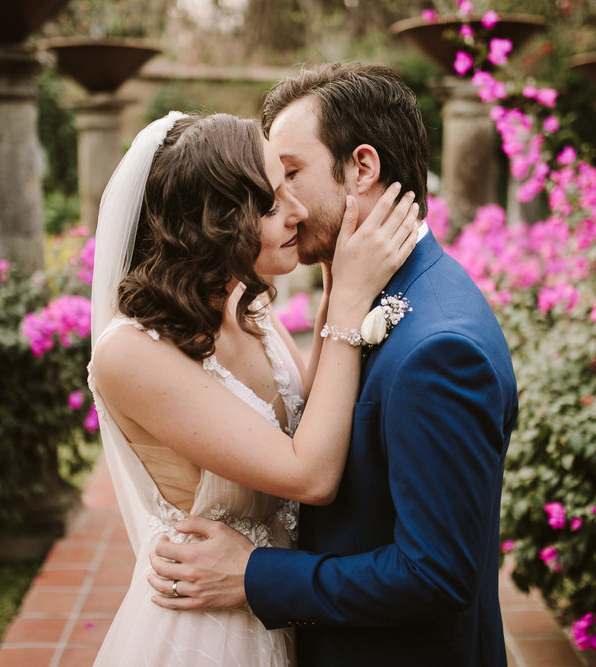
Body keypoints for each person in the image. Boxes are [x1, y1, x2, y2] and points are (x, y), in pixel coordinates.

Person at [147, 63, 519, 666]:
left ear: (362, 169)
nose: (278, 202)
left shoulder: (441, 349)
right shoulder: (366, 291)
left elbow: (438, 574)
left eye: (291, 173)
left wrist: (253, 575)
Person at [88, 111, 419, 666]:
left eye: (289, 183)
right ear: (214, 222)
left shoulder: (248, 304)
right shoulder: (130, 353)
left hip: (272, 594)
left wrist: (336, 283)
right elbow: (308, 474)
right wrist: (347, 307)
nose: (298, 209)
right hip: (211, 628)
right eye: (270, 203)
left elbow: (308, 413)